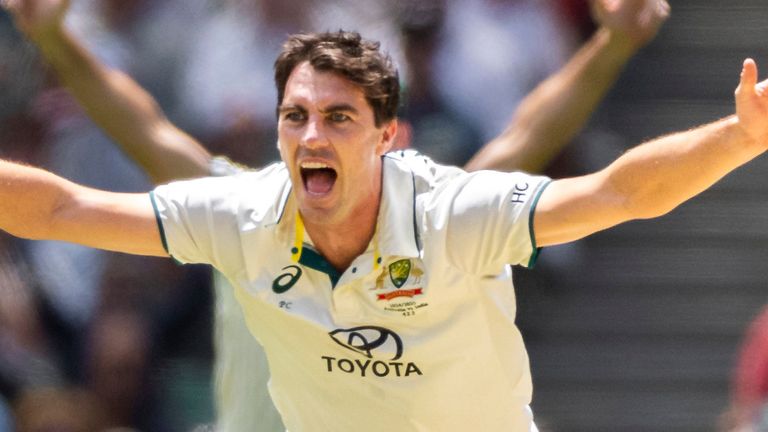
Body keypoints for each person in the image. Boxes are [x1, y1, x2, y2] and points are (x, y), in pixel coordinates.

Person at [2, 0, 672, 430]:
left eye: (342, 116)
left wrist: (611, 47)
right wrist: (57, 35)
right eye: (300, 115)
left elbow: (535, 137)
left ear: (384, 138)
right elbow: (124, 142)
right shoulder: (232, 205)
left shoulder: (439, 212)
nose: (318, 135)